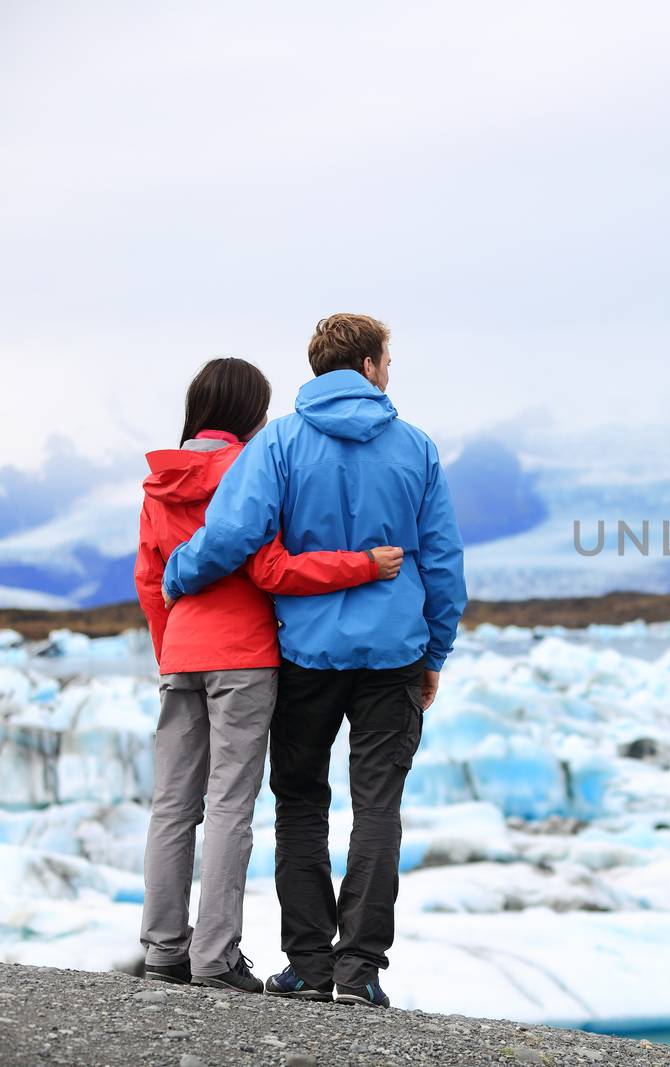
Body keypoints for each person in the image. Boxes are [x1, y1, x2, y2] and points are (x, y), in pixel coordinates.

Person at [162, 314, 467, 1009]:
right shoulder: (416, 448)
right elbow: (444, 563)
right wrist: (434, 651)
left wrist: (179, 573)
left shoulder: (279, 442)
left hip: (305, 654)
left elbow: (235, 531)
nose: (391, 371)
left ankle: (307, 963)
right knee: (378, 805)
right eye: (388, 359)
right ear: (365, 364)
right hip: (394, 654)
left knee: (300, 801)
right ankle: (360, 968)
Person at [134, 356, 405, 994]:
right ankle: (214, 958)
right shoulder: (252, 467)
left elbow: (150, 579)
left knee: (171, 806)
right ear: (255, 413)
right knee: (230, 804)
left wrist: (168, 650)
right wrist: (363, 566)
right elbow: (272, 568)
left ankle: (161, 950)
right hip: (245, 656)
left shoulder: (158, 481)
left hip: (182, 654)